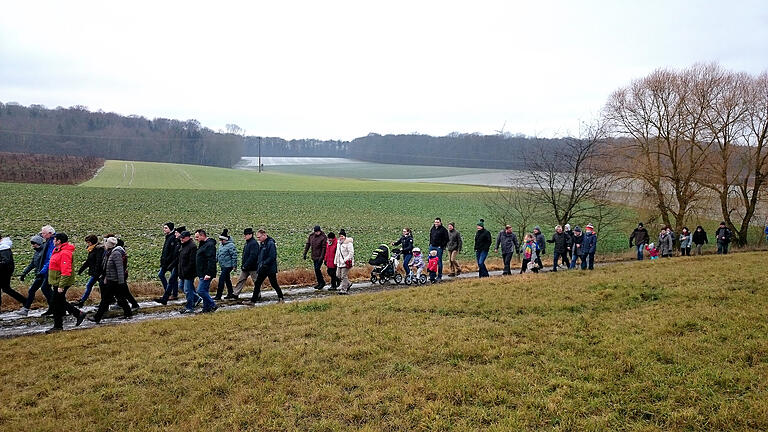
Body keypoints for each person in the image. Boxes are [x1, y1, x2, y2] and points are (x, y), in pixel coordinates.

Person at [45, 233, 86, 333]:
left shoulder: (65, 253)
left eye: (54, 239)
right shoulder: (58, 250)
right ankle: (77, 314)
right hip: (57, 281)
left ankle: (58, 326)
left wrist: (61, 285)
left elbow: (66, 270)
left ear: (59, 241)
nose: (53, 241)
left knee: (56, 303)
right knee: (59, 302)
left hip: (61, 282)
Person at [89, 236, 132, 323]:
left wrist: (121, 282)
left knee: (105, 299)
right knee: (120, 298)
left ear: (109, 245)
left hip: (114, 280)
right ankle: (128, 313)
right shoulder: (110, 252)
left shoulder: (115, 254)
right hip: (111, 279)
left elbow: (119, 268)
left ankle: (97, 317)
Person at [16, 234, 46, 316]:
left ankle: (26, 309)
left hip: (43, 275)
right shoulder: (37, 252)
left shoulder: (44, 251)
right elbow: (32, 264)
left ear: (39, 243)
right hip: (39, 275)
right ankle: (26, 309)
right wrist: (24, 273)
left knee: (45, 291)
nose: (33, 245)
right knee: (33, 291)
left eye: (34, 243)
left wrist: (41, 272)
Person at [250, 229, 284, 303]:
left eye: (259, 237)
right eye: (257, 238)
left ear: (264, 235)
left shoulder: (270, 243)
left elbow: (272, 256)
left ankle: (281, 298)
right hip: (263, 268)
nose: (258, 239)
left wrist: (264, 263)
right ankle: (253, 301)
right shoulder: (262, 244)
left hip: (270, 268)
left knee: (274, 284)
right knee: (258, 283)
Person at [74, 234, 104, 307]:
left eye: (88, 242)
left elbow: (98, 262)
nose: (87, 244)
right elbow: (89, 261)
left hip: (97, 272)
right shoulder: (92, 249)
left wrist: (97, 272)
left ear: (92, 242)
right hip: (95, 272)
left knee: (90, 285)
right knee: (98, 286)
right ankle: (82, 301)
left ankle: (82, 301)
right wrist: (81, 269)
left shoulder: (98, 249)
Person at [0, 233, 28, 310]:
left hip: (3, 272)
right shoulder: (4, 246)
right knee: (6, 289)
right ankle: (25, 301)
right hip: (5, 271)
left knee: (6, 289)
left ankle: (25, 301)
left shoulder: (3, 247)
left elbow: (6, 261)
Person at [194, 229, 218, 313]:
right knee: (205, 290)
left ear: (202, 236)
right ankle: (206, 309)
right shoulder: (202, 244)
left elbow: (211, 260)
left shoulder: (209, 245)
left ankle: (212, 304)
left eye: (197, 237)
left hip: (206, 273)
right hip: (201, 272)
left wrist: (208, 273)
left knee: (200, 291)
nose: (196, 239)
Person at [232, 228, 260, 298]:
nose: (244, 236)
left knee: (256, 281)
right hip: (246, 266)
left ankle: (257, 295)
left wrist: (246, 264)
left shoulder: (253, 243)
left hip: (253, 267)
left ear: (250, 234)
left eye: (246, 235)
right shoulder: (247, 243)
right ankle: (235, 293)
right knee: (241, 280)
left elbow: (253, 256)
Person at [177, 231, 198, 314]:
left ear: (188, 237)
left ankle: (190, 307)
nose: (181, 239)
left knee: (187, 290)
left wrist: (187, 271)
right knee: (181, 286)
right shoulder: (183, 246)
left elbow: (192, 262)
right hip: (182, 273)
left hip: (189, 273)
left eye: (183, 238)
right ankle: (196, 298)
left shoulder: (192, 246)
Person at [157, 222, 179, 303]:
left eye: (166, 228)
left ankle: (172, 294)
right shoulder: (168, 237)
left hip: (170, 262)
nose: (164, 229)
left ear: (171, 228)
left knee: (172, 278)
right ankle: (170, 293)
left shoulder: (173, 237)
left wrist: (167, 261)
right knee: (170, 277)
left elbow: (172, 252)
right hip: (166, 262)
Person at [215, 229, 238, 300]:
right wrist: (215, 261)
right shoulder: (221, 245)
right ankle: (230, 293)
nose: (221, 241)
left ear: (226, 239)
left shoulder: (231, 245)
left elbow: (234, 256)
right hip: (223, 265)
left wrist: (234, 265)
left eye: (222, 240)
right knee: (227, 279)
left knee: (221, 279)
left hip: (228, 266)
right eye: (220, 240)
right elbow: (218, 254)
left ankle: (218, 295)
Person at [303, 225, 327, 290]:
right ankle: (320, 283)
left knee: (317, 269)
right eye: (316, 232)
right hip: (314, 256)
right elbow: (308, 245)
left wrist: (321, 257)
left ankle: (322, 283)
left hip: (320, 256)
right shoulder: (311, 236)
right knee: (316, 270)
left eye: (318, 232)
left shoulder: (323, 237)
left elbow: (324, 248)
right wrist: (305, 253)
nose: (317, 233)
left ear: (320, 231)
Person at [334, 229, 354, 295]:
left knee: (343, 276)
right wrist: (335, 260)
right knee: (338, 275)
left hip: (346, 262)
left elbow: (351, 253)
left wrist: (345, 259)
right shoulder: (339, 243)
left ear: (345, 236)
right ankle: (348, 283)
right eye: (340, 236)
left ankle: (344, 289)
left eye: (342, 236)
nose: (341, 237)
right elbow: (337, 253)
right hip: (339, 262)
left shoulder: (348, 243)